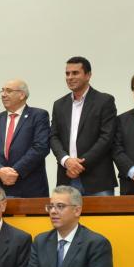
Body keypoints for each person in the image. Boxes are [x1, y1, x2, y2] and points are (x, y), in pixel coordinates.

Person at [49, 57, 118, 196]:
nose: (70, 77)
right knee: (66, 218)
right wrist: (66, 160)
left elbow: (106, 137)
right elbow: (53, 136)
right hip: (66, 177)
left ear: (88, 75)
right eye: (67, 73)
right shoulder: (59, 104)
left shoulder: (104, 101)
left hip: (98, 179)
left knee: (102, 219)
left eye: (75, 73)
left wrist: (79, 164)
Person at [0, 79, 51, 198]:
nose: (3, 95)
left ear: (22, 95)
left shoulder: (38, 115)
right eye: (2, 91)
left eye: (8, 91)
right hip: (1, 187)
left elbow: (41, 147)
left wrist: (15, 171)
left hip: (30, 187)